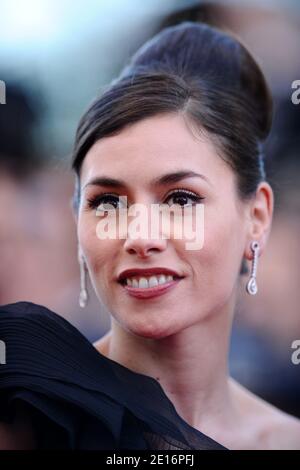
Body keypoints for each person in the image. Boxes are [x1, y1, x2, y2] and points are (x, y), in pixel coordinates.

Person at [1, 22, 300, 450]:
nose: (141, 237)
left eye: (180, 199)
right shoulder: (26, 408)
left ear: (256, 216)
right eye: (107, 203)